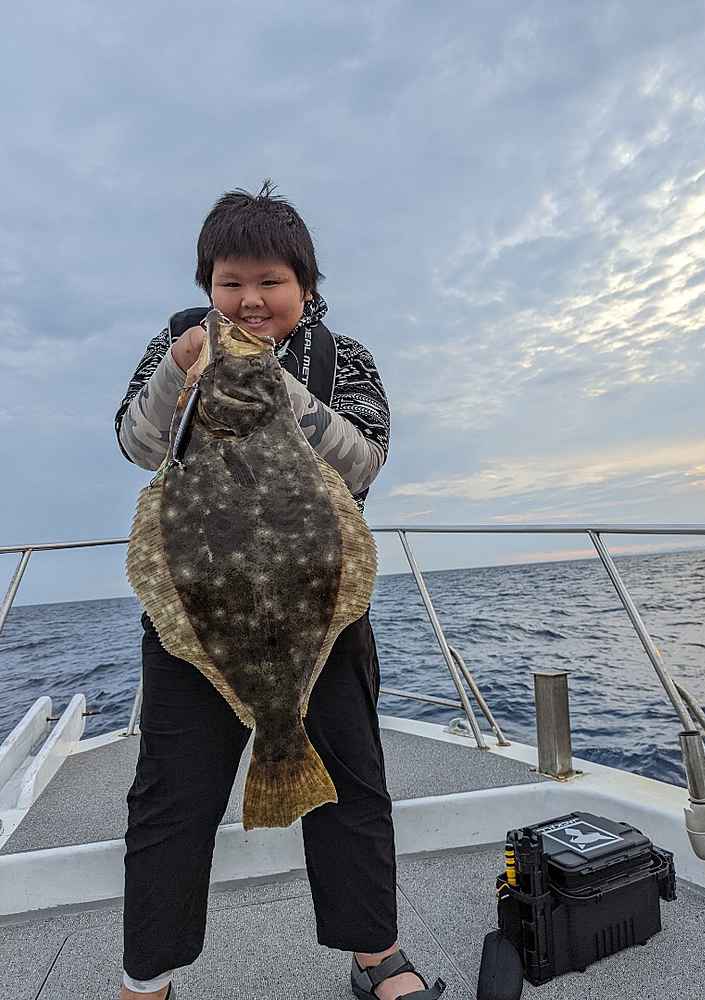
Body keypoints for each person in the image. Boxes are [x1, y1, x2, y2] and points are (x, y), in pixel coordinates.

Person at [113, 183, 446, 1000]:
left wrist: (272, 385)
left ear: (305, 284)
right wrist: (185, 369)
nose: (250, 300)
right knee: (170, 798)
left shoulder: (342, 358)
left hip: (317, 613)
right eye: (230, 283)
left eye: (270, 282)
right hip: (202, 611)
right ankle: (146, 978)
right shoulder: (177, 349)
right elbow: (137, 444)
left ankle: (376, 955)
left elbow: (364, 461)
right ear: (208, 285)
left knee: (354, 785)